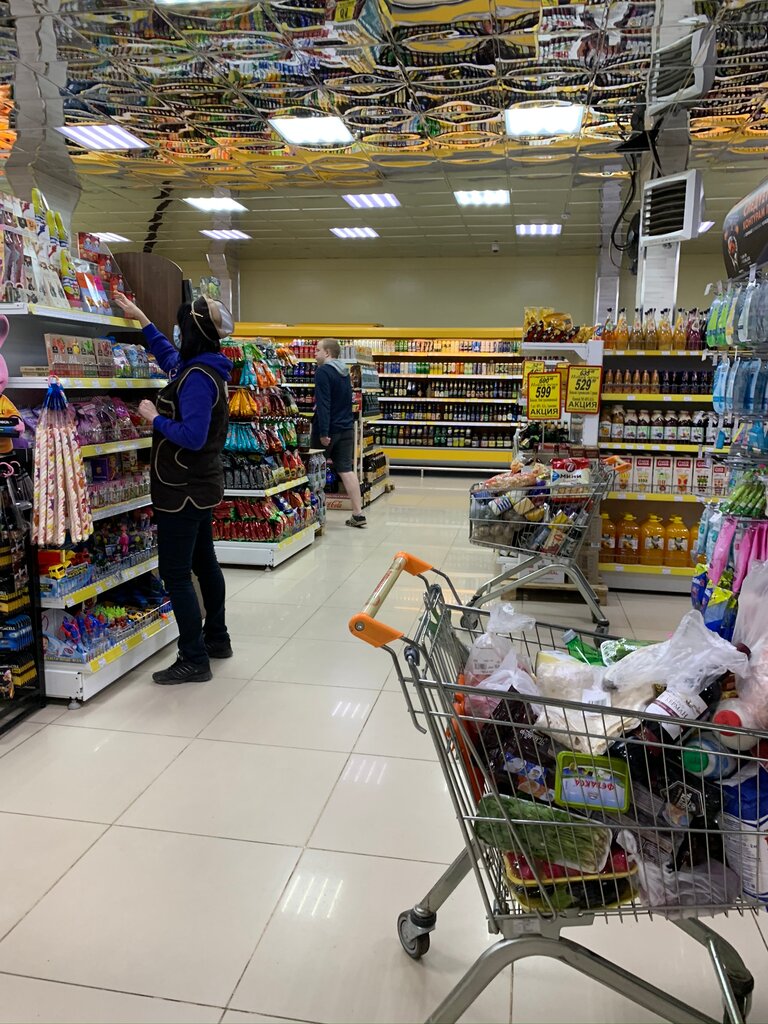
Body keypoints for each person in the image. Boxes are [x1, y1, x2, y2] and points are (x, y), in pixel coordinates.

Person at [114, 291, 234, 684]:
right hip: (198, 486)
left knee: (177, 574)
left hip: (182, 490)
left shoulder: (198, 378)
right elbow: (170, 359)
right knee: (205, 564)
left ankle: (194, 658)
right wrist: (142, 317)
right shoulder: (203, 367)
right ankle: (217, 639)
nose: (177, 333)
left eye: (181, 327)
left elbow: (193, 436)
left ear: (193, 333)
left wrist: (154, 418)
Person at [313, 338, 366, 528]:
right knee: (346, 470)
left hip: (329, 429)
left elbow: (323, 403)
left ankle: (312, 516)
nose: (315, 353)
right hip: (346, 427)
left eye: (317, 350)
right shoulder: (344, 371)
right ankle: (358, 514)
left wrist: (323, 432)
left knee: (314, 470)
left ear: (327, 353)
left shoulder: (323, 372)